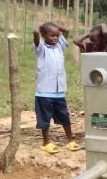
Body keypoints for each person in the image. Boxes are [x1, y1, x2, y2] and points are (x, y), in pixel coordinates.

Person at [33, 22, 80, 154]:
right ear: (44, 35)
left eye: (57, 36)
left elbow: (67, 30)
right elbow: (36, 33)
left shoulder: (59, 47)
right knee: (45, 119)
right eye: (51, 35)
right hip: (44, 92)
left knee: (65, 116)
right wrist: (40, 26)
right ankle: (46, 142)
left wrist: (54, 25)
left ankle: (70, 140)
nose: (55, 38)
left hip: (59, 92)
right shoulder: (41, 48)